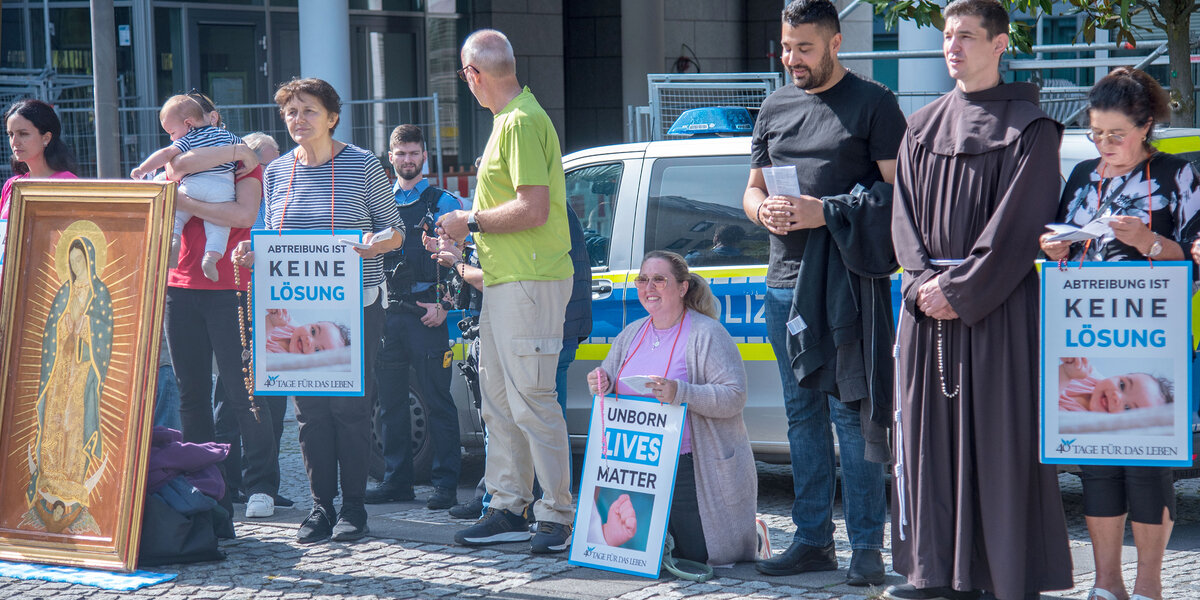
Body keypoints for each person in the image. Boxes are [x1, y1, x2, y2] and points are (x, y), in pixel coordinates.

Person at [888, 1, 1074, 599]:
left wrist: (960, 290)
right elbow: (904, 219)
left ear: (999, 44)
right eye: (946, 36)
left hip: (997, 311)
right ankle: (933, 569)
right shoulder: (918, 128)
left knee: (996, 442)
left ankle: (1000, 572)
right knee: (926, 440)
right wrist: (922, 285)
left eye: (966, 36)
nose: (952, 46)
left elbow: (1019, 226)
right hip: (927, 312)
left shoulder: (1032, 128)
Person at [741, 0, 904, 586]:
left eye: (804, 48)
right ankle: (812, 541)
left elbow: (901, 199)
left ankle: (866, 548)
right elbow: (751, 190)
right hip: (784, 286)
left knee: (850, 416)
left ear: (835, 42)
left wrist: (824, 211)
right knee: (800, 416)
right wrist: (766, 213)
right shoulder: (775, 105)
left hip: (849, 290)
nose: (792, 60)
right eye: (786, 48)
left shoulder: (875, 104)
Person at [1040, 67, 1200, 600]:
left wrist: (1150, 241)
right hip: (1087, 332)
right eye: (1096, 133)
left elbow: (1194, 260)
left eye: (1116, 134)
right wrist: (1056, 247)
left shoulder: (1178, 175)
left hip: (1153, 339)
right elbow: (1062, 233)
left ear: (1146, 125)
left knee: (1149, 464)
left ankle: (1150, 587)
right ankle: (1107, 585)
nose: (1104, 145)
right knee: (1098, 464)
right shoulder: (1085, 174)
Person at [234, 77, 403, 545]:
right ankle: (319, 508)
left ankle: (353, 508)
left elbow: (395, 233)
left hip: (354, 307)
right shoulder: (278, 171)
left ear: (331, 117)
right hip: (295, 309)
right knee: (309, 415)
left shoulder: (364, 165)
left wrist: (374, 246)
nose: (298, 119)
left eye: (308, 110)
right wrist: (251, 253)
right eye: (290, 112)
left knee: (350, 409)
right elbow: (270, 234)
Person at [436, 29, 575, 554]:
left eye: (464, 76)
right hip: (507, 281)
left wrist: (466, 221)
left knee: (532, 402)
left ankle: (556, 516)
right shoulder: (514, 118)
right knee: (499, 403)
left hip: (528, 281)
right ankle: (508, 505)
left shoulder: (518, 121)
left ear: (473, 75)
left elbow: (532, 209)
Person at [586, 250, 757, 566]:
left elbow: (735, 396)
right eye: (643, 279)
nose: (648, 287)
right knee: (632, 551)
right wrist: (601, 383)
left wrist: (681, 392)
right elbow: (606, 378)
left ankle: (749, 533)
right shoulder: (632, 333)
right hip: (637, 464)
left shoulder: (707, 334)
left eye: (659, 279)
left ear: (682, 287)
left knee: (697, 555)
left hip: (690, 466)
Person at [161, 92, 282, 525]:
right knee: (191, 395)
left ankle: (262, 484)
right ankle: (206, 485)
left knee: (243, 390)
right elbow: (171, 172)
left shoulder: (243, 161)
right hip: (179, 286)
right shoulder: (179, 157)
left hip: (230, 286)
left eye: (195, 126)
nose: (188, 135)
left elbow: (244, 215)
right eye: (182, 130)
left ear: (213, 119)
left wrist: (186, 202)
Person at [366, 124, 464, 509]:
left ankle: (445, 485)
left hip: (428, 315)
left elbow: (461, 257)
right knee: (389, 402)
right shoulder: (380, 202)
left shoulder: (442, 202)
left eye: (414, 153)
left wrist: (445, 306)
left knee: (438, 400)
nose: (408, 160)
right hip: (387, 314)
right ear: (390, 157)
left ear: (424, 156)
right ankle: (397, 481)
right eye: (401, 153)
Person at [131, 95, 241, 282]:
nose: (171, 138)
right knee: (218, 229)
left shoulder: (189, 139)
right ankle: (211, 258)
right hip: (222, 190)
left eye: (172, 132)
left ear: (188, 124)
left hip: (194, 185)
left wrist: (143, 169)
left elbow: (166, 154)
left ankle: (173, 241)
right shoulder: (228, 136)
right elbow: (243, 151)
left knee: (176, 215)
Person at [2, 98, 78, 218]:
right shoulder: (11, 186)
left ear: (46, 138)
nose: (14, 142)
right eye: (11, 134)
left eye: (23, 134)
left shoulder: (67, 183)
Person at [262, 308, 350, 354]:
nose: (309, 340)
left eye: (317, 350)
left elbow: (256, 349)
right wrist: (276, 310)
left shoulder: (279, 359)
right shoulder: (292, 326)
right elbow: (282, 314)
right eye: (313, 331)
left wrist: (270, 323)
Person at [242, 132, 281, 230]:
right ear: (248, 164)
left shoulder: (281, 193)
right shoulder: (232, 197)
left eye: (278, 165)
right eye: (269, 166)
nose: (277, 171)